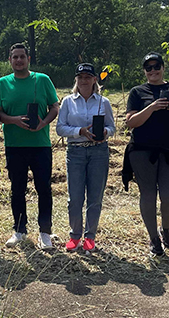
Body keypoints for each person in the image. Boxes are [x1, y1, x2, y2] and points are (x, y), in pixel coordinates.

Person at [124, 52, 169, 257]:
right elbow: (131, 122)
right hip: (142, 151)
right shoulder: (137, 92)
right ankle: (154, 238)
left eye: (156, 66)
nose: (153, 71)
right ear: (145, 71)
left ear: (163, 67)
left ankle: (166, 228)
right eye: (149, 68)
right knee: (148, 194)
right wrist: (152, 107)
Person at [0, 43, 60, 249]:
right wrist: (12, 120)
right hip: (15, 145)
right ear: (10, 60)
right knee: (17, 189)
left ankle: (45, 232)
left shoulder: (43, 79)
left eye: (22, 57)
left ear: (28, 59)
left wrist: (44, 122)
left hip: (40, 144)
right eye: (15, 57)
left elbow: (54, 106)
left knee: (44, 188)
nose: (19, 60)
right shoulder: (2, 83)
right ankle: (20, 230)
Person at [55, 63, 115, 253]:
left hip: (98, 151)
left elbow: (112, 127)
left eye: (88, 77)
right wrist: (79, 131)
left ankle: (90, 237)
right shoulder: (67, 101)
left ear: (95, 79)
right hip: (76, 151)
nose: (84, 80)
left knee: (95, 197)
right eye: (80, 77)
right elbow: (60, 128)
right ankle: (75, 236)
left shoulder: (103, 102)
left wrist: (105, 132)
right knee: (75, 197)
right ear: (76, 80)